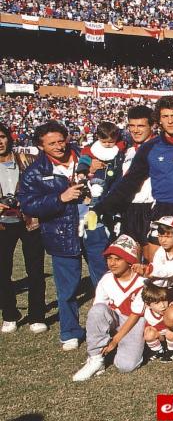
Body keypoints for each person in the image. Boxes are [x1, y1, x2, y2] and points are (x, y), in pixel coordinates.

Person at [17, 121, 109, 350]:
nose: (59, 146)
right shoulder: (35, 172)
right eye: (52, 143)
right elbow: (28, 205)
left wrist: (101, 170)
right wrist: (60, 198)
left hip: (94, 227)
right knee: (67, 287)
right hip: (61, 233)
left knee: (105, 281)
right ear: (41, 146)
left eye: (61, 140)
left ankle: (109, 327)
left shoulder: (87, 156)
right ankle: (70, 331)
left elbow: (114, 150)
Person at [96, 95, 173, 230]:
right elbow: (130, 182)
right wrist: (100, 208)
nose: (170, 121)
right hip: (162, 210)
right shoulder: (149, 148)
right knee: (155, 251)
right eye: (165, 116)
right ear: (159, 120)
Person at [71, 235, 147, 381]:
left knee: (126, 366)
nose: (112, 263)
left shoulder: (142, 282)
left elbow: (136, 315)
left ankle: (132, 347)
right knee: (97, 310)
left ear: (130, 261)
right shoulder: (106, 279)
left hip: (133, 321)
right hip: (114, 318)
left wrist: (115, 340)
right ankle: (96, 358)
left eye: (117, 259)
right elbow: (98, 311)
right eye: (109, 258)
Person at [0, 123, 45, 334]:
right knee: (2, 272)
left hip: (29, 220)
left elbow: (43, 184)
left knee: (35, 269)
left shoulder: (27, 160)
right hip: (2, 223)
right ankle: (9, 315)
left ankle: (36, 316)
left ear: (9, 138)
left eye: (2, 137)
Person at [100, 104, 155, 246]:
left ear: (152, 126)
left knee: (149, 261)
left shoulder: (159, 148)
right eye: (132, 126)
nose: (135, 130)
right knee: (125, 259)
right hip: (127, 209)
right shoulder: (127, 151)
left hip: (150, 209)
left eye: (141, 126)